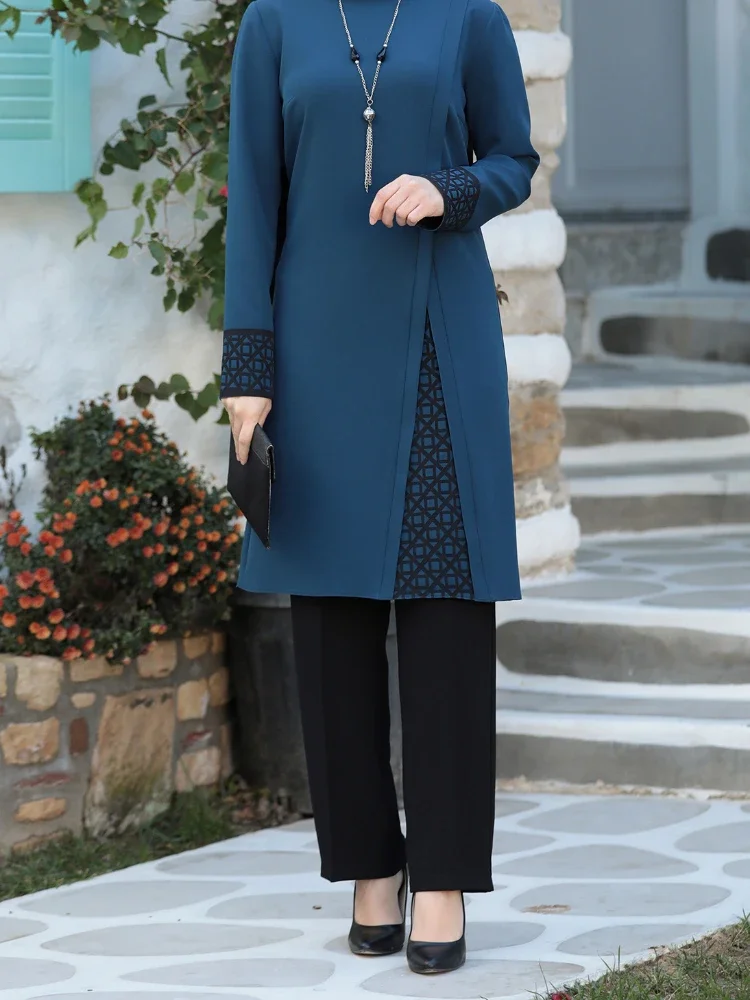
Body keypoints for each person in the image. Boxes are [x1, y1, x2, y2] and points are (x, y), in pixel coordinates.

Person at [221, 0, 538, 976]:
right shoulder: (276, 21)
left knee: (446, 612)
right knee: (331, 623)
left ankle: (441, 877)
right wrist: (247, 368)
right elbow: (253, 196)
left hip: (439, 336)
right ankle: (370, 864)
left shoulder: (468, 17)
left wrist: (449, 188)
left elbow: (514, 160)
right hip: (314, 352)